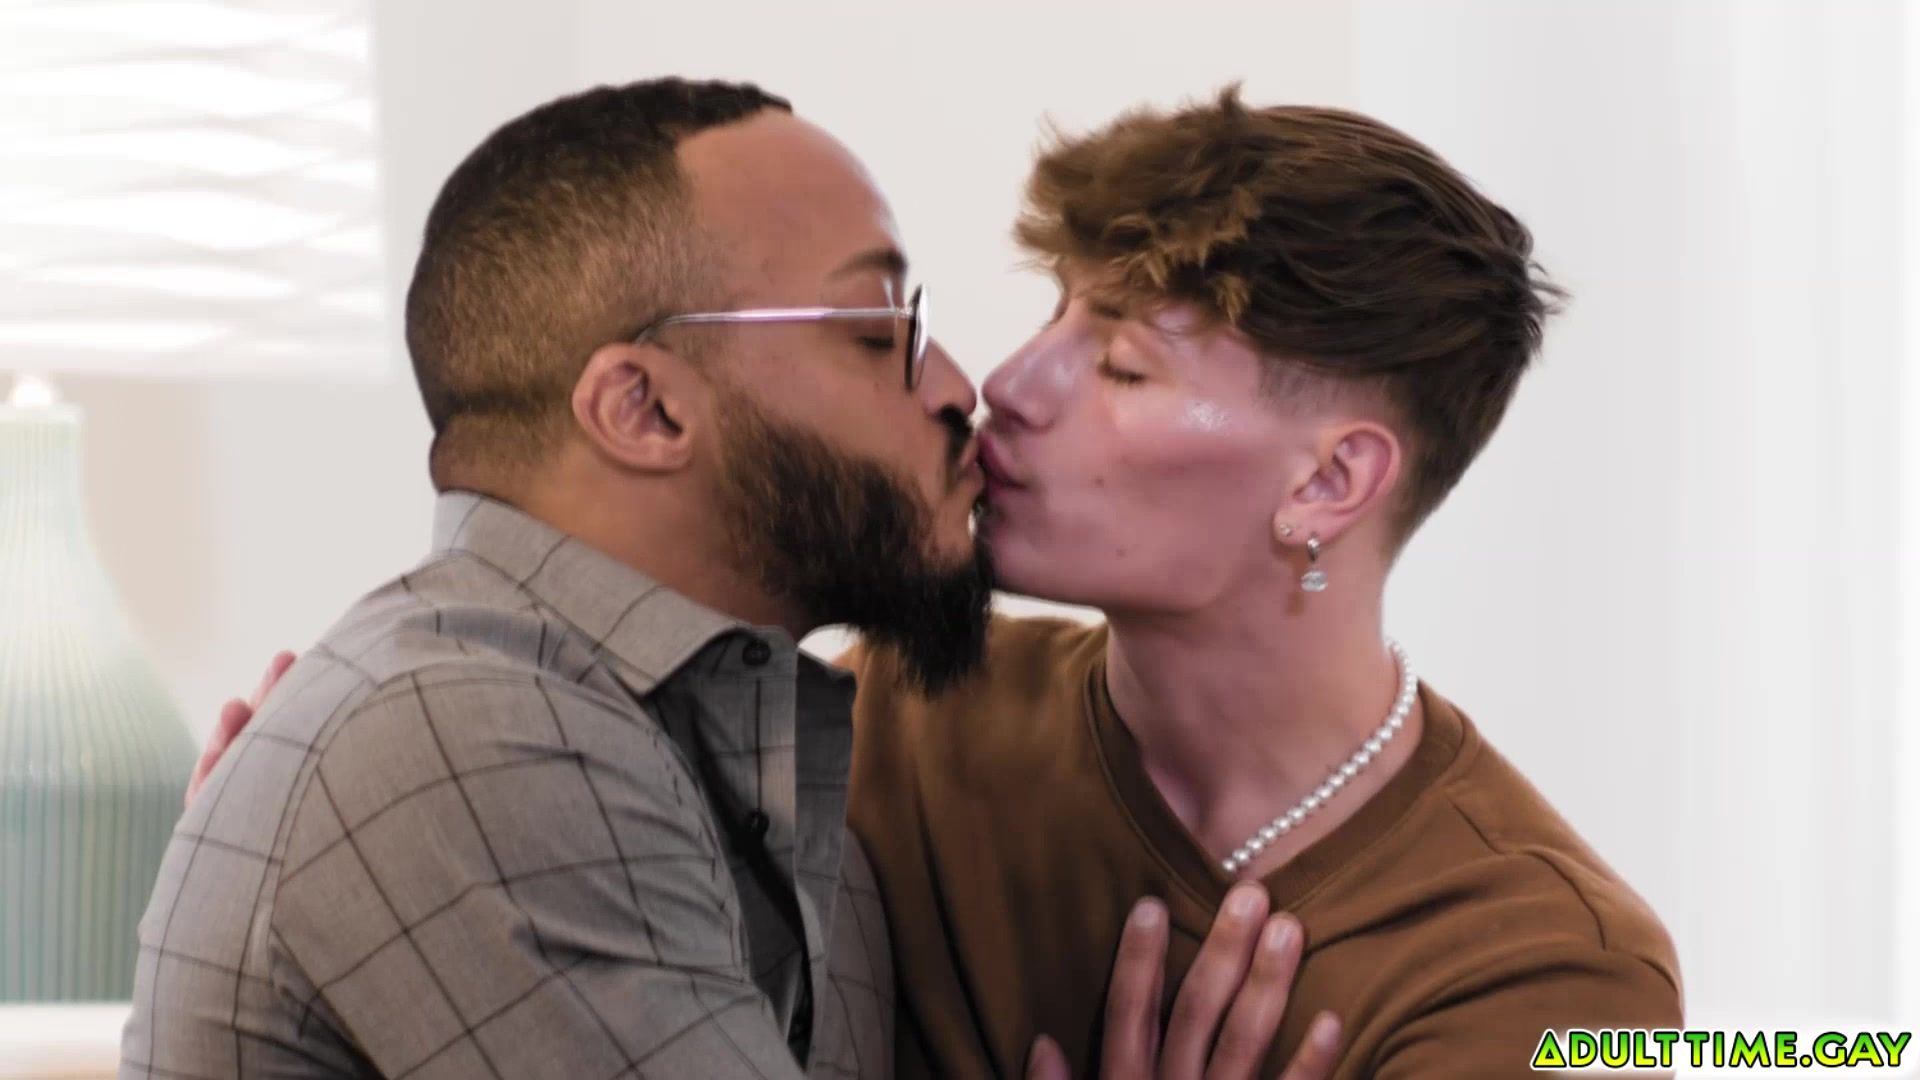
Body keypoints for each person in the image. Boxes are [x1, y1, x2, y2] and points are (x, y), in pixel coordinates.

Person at [124, 79, 1336, 1080]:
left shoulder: (788, 771)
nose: (964, 387)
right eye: (879, 330)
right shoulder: (462, 734)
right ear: (645, 409)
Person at [841, 90, 1683, 1077]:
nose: (1008, 386)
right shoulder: (900, 717)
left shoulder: (1545, 970)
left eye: (1121, 366)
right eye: (1054, 313)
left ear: (1328, 484)